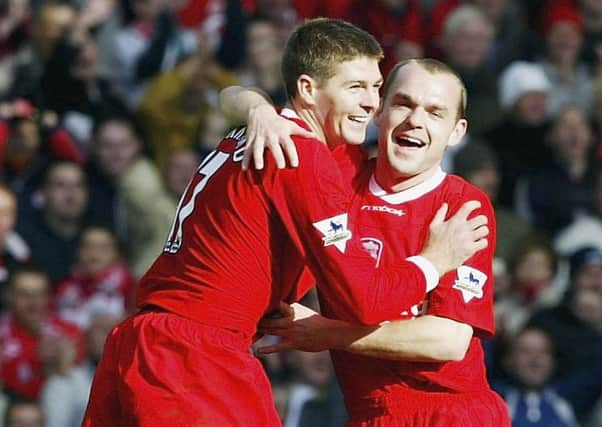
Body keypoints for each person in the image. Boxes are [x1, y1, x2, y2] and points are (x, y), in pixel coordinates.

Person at [83, 19, 489, 427]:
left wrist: (255, 105)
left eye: (374, 89)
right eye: (360, 89)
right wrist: (434, 261)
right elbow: (364, 299)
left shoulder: (295, 145)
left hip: (145, 342)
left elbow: (452, 340)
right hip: (197, 352)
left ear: (457, 131)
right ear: (310, 89)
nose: (370, 102)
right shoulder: (303, 154)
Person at [241, 59, 510, 426]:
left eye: (435, 112)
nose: (415, 120)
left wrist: (328, 333)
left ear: (456, 132)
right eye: (403, 103)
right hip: (369, 415)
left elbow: (447, 341)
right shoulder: (339, 182)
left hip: (449, 412)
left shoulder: (462, 205)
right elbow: (232, 94)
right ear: (379, 111)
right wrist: (260, 110)